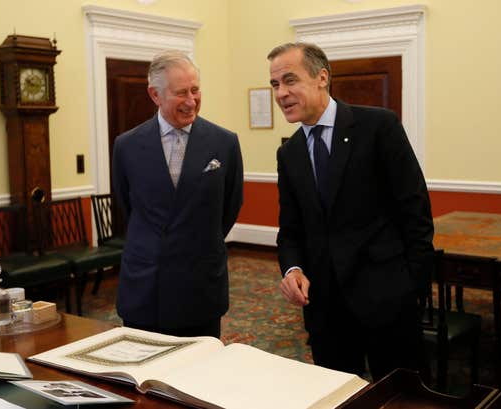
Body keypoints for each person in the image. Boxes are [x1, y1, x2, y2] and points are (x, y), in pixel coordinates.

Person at [269, 42, 434, 381]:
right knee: (338, 396)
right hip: (325, 308)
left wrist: (412, 284)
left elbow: (414, 208)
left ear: (322, 78)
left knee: (403, 395)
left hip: (387, 298)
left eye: (290, 80)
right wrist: (292, 269)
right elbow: (291, 228)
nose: (281, 93)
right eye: (275, 84)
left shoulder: (377, 126)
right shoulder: (290, 153)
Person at [112, 50, 243, 338]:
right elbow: (127, 207)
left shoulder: (225, 143)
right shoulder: (127, 146)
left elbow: (230, 206)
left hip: (200, 286)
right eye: (181, 93)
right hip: (145, 287)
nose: (191, 100)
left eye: (195, 90)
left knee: (199, 376)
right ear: (155, 95)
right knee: (142, 375)